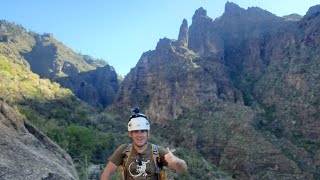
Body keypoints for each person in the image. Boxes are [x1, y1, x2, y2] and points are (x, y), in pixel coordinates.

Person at [100, 107, 187, 180]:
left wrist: (176, 160)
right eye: (136, 132)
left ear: (147, 133)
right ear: (130, 134)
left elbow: (183, 169)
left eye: (142, 131)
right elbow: (107, 172)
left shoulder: (157, 152)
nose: (139, 135)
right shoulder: (123, 150)